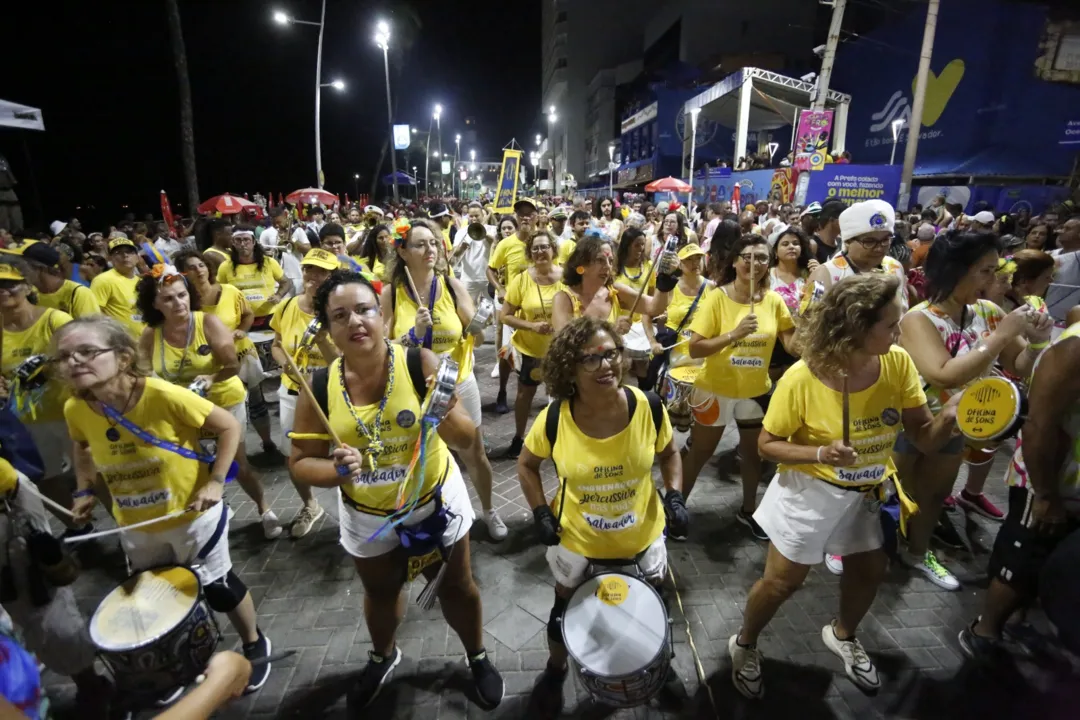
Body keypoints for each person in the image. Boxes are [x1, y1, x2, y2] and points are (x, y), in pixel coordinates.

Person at [728, 268, 962, 700]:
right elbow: (766, 445)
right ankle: (743, 643)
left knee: (869, 570)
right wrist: (820, 453)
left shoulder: (898, 362)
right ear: (856, 326)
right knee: (782, 584)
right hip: (809, 493)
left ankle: (843, 634)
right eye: (891, 325)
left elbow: (924, 437)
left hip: (869, 492)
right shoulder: (802, 376)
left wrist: (952, 417)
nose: (899, 332)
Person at [289, 270, 504, 710]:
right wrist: (335, 472)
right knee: (382, 593)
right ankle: (383, 655)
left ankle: (477, 656)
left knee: (458, 588)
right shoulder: (318, 384)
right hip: (367, 515)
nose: (355, 322)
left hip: (435, 502)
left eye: (365, 309)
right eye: (340, 315)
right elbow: (299, 464)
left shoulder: (418, 362)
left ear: (382, 317)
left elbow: (465, 439)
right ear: (329, 328)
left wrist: (438, 410)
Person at [56, 316, 273, 696]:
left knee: (219, 587)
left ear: (124, 358)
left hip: (191, 515)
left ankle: (255, 642)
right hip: (136, 523)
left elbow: (228, 427)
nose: (73, 362)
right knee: (158, 595)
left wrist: (216, 482)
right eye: (65, 356)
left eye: (87, 352)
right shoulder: (75, 408)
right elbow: (82, 445)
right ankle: (177, 662)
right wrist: (84, 490)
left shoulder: (162, 394)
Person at [517, 316, 686, 717]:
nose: (604, 366)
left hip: (642, 536)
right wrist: (541, 512)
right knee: (562, 614)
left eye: (610, 354)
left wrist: (676, 497)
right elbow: (526, 465)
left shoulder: (649, 406)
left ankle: (662, 663)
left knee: (656, 603)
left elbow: (669, 453)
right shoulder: (555, 419)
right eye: (589, 359)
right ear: (569, 369)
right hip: (577, 539)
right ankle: (556, 671)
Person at [893, 231, 1052, 590]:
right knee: (892, 492)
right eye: (984, 271)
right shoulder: (919, 319)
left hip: (958, 424)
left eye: (996, 270)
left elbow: (1022, 364)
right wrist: (998, 337)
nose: (996, 280)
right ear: (954, 270)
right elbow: (942, 372)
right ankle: (870, 552)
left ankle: (917, 552)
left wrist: (1039, 340)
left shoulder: (989, 313)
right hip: (909, 420)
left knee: (933, 495)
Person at [958, 318, 1080, 659]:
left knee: (1050, 560)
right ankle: (986, 630)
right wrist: (1045, 495)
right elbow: (1039, 426)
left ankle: (1018, 622)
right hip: (1049, 482)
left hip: (1072, 485)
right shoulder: (1074, 349)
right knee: (1022, 559)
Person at [135, 263, 281, 540]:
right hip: (182, 410)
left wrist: (211, 378)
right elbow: (143, 372)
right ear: (154, 304)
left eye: (182, 294)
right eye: (168, 298)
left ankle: (264, 508)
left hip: (222, 402)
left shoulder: (206, 322)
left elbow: (231, 365)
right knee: (196, 466)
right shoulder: (150, 334)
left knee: (237, 465)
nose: (178, 302)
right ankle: (215, 511)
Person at [383, 220, 507, 540]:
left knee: (473, 453)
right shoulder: (391, 294)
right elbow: (383, 349)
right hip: (413, 387)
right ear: (402, 251)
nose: (430, 250)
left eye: (433, 243)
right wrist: (414, 334)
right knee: (424, 457)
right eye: (420, 244)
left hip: (458, 381)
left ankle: (489, 511)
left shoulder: (451, 285)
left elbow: (474, 333)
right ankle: (433, 514)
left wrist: (481, 321)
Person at [681, 235, 798, 539]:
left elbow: (794, 345)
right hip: (714, 391)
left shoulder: (773, 301)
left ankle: (748, 510)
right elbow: (696, 348)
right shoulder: (717, 297)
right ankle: (676, 507)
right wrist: (734, 334)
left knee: (753, 455)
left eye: (761, 257)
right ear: (734, 261)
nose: (754, 263)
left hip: (755, 391)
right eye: (747, 256)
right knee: (700, 453)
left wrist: (809, 318)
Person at [0, 261, 84, 531]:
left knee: (93, 476)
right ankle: (79, 528)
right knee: (44, 480)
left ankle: (124, 532)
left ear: (26, 286)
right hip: (27, 423)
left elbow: (84, 357)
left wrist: (51, 368)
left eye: (9, 284)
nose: (4, 291)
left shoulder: (54, 320)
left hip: (71, 412)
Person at [269, 248, 341, 538]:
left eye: (322, 271)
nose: (314, 276)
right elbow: (277, 343)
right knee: (295, 456)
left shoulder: (338, 310)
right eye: (310, 269)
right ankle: (310, 504)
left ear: (333, 276)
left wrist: (323, 338)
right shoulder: (286, 307)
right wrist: (284, 362)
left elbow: (341, 360)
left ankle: (348, 510)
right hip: (292, 393)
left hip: (331, 394)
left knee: (341, 454)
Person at [498, 229, 563, 457]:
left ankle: (560, 438)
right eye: (535, 248)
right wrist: (532, 326)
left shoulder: (567, 278)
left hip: (560, 350)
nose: (540, 252)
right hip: (531, 349)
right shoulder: (522, 279)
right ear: (529, 253)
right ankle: (519, 437)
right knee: (525, 394)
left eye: (544, 246)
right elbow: (505, 315)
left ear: (554, 250)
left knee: (563, 395)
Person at [802, 200, 908, 313]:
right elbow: (808, 320)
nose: (879, 248)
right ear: (847, 241)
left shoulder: (895, 267)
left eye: (885, 240)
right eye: (869, 241)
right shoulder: (824, 274)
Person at [552, 234, 672, 333]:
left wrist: (665, 279)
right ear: (582, 264)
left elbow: (655, 308)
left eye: (610, 261)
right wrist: (612, 330)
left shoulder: (615, 292)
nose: (608, 266)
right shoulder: (564, 298)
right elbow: (564, 342)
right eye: (600, 260)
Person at [487, 200, 534, 415]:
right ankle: (502, 392)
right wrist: (500, 288)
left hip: (538, 309)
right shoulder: (506, 244)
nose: (525, 217)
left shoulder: (542, 242)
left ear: (536, 216)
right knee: (506, 353)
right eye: (520, 214)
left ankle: (550, 397)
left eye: (529, 213)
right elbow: (491, 269)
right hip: (513, 309)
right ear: (515, 217)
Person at [643, 243, 711, 390]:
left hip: (702, 355)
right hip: (674, 356)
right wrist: (653, 342)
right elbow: (647, 315)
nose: (695, 263)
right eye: (689, 259)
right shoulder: (669, 287)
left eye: (698, 258)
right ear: (679, 264)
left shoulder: (713, 287)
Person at [217, 226, 292, 326]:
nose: (243, 244)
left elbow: (286, 282)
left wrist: (278, 295)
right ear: (233, 243)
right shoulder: (225, 266)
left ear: (254, 242)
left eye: (246, 240)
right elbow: (219, 290)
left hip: (268, 317)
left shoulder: (269, 262)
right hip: (240, 319)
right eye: (238, 240)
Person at [616, 228, 657, 388]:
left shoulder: (648, 266)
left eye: (643, 244)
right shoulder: (615, 268)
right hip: (620, 324)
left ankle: (644, 398)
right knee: (621, 364)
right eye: (636, 245)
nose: (641, 249)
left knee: (642, 365)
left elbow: (652, 296)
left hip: (642, 325)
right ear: (627, 245)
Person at [20, 242, 99, 318]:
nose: (20, 271)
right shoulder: (28, 293)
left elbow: (94, 328)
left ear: (40, 268)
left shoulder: (79, 293)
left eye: (23, 267)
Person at [90, 236, 143, 338]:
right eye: (118, 253)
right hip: (120, 344)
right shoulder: (103, 280)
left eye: (130, 252)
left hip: (144, 342)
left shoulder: (140, 281)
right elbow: (94, 315)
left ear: (137, 257)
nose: (125, 255)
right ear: (110, 258)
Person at [449, 202, 495, 302]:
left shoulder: (492, 230)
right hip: (468, 278)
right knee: (468, 307)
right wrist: (461, 248)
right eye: (471, 216)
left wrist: (484, 234)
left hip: (489, 278)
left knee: (492, 309)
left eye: (477, 216)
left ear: (483, 215)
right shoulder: (462, 232)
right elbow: (455, 253)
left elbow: (496, 245)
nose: (474, 219)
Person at [811, 199, 845, 264]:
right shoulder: (813, 244)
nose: (846, 223)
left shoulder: (842, 243)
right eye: (844, 219)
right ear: (832, 220)